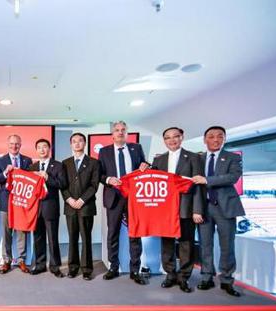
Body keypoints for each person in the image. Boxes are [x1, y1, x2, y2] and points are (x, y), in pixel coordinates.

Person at [192, 126, 245, 297]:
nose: (215, 139)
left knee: (227, 246)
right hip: (204, 208)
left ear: (224, 139)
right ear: (205, 139)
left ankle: (227, 280)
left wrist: (206, 180)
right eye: (211, 136)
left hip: (225, 208)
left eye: (219, 137)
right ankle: (207, 276)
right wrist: (196, 209)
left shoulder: (233, 158)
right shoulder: (198, 158)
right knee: (205, 245)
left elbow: (232, 177)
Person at [151, 127, 204, 293]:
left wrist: (197, 210)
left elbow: (198, 186)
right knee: (166, 243)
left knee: (186, 243)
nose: (171, 140)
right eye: (167, 138)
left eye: (175, 137)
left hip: (186, 208)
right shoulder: (158, 160)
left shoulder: (194, 157)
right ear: (164, 140)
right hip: (165, 209)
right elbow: (154, 185)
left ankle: (184, 277)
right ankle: (170, 274)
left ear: (182, 137)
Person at [98, 121, 149, 285]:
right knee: (112, 233)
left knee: (135, 234)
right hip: (114, 196)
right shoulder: (104, 152)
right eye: (117, 130)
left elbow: (146, 166)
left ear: (127, 133)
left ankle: (135, 270)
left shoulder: (136, 148)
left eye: (123, 130)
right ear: (112, 134)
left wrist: (146, 165)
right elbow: (99, 174)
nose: (120, 132)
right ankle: (113, 267)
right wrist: (108, 179)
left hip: (134, 197)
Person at [62, 133, 99, 281]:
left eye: (80, 141)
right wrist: (70, 199)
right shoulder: (65, 163)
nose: (77, 144)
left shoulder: (94, 163)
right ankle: (72, 268)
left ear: (85, 143)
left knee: (86, 238)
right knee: (72, 238)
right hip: (70, 206)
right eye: (74, 141)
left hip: (86, 206)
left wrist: (82, 200)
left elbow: (94, 185)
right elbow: (62, 185)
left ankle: (87, 269)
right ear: (71, 144)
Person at [0, 134, 33, 274]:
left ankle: (21, 260)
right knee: (7, 233)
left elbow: (32, 181)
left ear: (20, 145)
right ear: (7, 145)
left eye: (16, 144)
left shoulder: (27, 161)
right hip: (6, 202)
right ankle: (7, 261)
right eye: (11, 144)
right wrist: (5, 172)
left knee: (22, 232)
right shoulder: (0, 160)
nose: (14, 146)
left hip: (22, 203)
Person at [28, 139, 68, 278]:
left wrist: (47, 177)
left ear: (49, 149)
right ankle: (40, 265)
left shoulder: (58, 165)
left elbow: (62, 184)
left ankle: (55, 266)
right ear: (36, 150)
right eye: (39, 147)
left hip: (50, 207)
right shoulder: (32, 167)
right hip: (35, 209)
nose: (42, 150)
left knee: (52, 238)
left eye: (44, 147)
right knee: (38, 238)